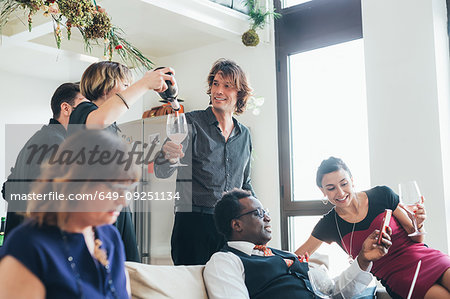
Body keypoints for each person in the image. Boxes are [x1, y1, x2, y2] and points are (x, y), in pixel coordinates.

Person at [0, 129, 139, 299]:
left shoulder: (110, 237)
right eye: (115, 189)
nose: (124, 201)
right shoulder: (29, 245)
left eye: (128, 189)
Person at [295, 157, 450, 299]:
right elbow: (296, 257)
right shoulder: (328, 224)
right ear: (323, 191)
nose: (340, 192)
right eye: (331, 188)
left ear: (352, 180)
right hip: (397, 277)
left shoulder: (382, 194)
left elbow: (416, 237)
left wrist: (419, 223)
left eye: (344, 183)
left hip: (426, 258)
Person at [68, 61, 175, 262]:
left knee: (127, 269)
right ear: (106, 85)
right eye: (125, 84)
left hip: (117, 206)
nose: (128, 89)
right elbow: (99, 121)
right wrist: (145, 83)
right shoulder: (82, 111)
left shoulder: (112, 126)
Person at [204, 188, 392, 299]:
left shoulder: (286, 255)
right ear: (236, 224)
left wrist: (364, 259)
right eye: (259, 213)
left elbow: (335, 291)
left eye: (266, 211)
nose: (268, 218)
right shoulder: (225, 261)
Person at [154, 58, 255, 265]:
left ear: (240, 93)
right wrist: (166, 156)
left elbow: (245, 185)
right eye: (215, 84)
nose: (218, 91)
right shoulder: (190, 122)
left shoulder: (244, 135)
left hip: (230, 227)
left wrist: (257, 214)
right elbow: (161, 171)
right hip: (193, 224)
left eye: (227, 86)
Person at [2, 82, 85, 238]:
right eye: (83, 107)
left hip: (19, 242)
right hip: (37, 245)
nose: (88, 113)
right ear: (66, 108)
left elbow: (7, 189)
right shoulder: (56, 144)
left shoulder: (38, 139)